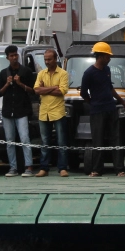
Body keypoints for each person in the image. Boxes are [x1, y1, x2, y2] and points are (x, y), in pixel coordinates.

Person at [80, 42, 125, 177]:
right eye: (107, 56)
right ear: (100, 56)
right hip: (97, 111)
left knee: (116, 139)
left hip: (111, 108)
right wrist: (93, 103)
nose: (109, 59)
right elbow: (83, 93)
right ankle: (97, 170)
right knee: (98, 140)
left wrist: (121, 101)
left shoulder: (107, 70)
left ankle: (119, 169)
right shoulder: (89, 73)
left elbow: (110, 88)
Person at [0, 45, 36, 177]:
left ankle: (28, 166)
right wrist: (7, 84)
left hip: (22, 110)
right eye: (11, 56)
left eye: (15, 55)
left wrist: (20, 84)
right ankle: (12, 167)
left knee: (25, 139)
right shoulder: (3, 73)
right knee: (9, 141)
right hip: (8, 111)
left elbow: (33, 90)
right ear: (7, 58)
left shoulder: (26, 71)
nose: (14, 58)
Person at [34, 49, 70, 177]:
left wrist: (44, 89)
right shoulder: (41, 73)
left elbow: (61, 91)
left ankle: (62, 168)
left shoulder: (63, 74)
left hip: (58, 111)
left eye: (49, 59)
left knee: (61, 141)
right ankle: (44, 168)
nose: (47, 62)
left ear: (55, 59)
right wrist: (53, 87)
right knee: (45, 142)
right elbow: (36, 90)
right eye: (45, 59)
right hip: (44, 112)